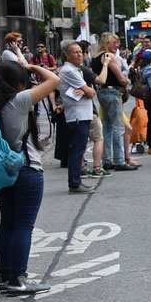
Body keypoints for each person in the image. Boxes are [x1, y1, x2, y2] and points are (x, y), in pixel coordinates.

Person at [0, 60, 60, 295]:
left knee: (7, 222)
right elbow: (54, 80)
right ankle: (18, 278)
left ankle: (6, 276)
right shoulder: (18, 100)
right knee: (23, 225)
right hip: (26, 169)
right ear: (19, 82)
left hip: (2, 170)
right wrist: (32, 67)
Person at [93, 33, 138, 172]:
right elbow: (121, 78)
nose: (117, 45)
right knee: (119, 127)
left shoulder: (95, 57)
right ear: (107, 42)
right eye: (114, 42)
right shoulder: (110, 57)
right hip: (113, 92)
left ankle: (107, 160)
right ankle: (119, 160)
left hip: (102, 92)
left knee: (106, 127)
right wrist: (128, 81)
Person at [56, 40, 97, 193]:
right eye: (75, 52)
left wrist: (86, 91)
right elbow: (91, 92)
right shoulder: (69, 71)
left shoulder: (76, 70)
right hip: (77, 115)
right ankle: (74, 183)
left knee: (79, 149)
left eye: (81, 52)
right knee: (77, 150)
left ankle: (76, 181)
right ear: (66, 55)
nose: (80, 55)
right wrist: (86, 91)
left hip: (81, 114)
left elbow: (88, 92)